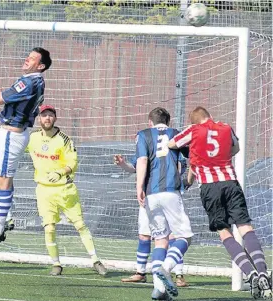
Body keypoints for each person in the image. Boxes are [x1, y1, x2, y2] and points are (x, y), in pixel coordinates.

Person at [0, 105, 107, 276]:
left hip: (65, 189)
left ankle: (95, 260)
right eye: (44, 115)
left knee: (80, 225)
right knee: (49, 228)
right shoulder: (33, 138)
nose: (47, 118)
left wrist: (60, 171)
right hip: (44, 191)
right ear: (39, 119)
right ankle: (56, 264)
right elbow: (16, 148)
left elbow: (73, 162)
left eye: (50, 115)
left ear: (55, 119)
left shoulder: (64, 139)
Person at [168, 106, 272, 300]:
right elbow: (236, 148)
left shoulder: (194, 130)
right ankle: (263, 271)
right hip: (230, 182)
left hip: (209, 187)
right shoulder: (225, 127)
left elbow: (172, 144)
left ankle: (250, 274)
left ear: (195, 121)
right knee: (245, 227)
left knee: (224, 232)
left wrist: (194, 153)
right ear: (210, 116)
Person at [0, 47, 52, 248]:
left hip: (13, 134)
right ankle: (7, 217)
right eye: (28, 56)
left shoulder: (29, 81)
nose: (27, 59)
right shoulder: (35, 80)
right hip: (10, 133)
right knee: (1, 176)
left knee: (3, 179)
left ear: (41, 66)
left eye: (33, 58)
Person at [134, 107, 194, 300]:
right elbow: (192, 157)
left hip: (151, 194)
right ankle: (167, 268)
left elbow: (142, 160)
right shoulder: (176, 134)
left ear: (150, 122)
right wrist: (190, 179)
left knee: (160, 239)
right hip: (171, 191)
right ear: (168, 121)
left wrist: (139, 187)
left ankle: (159, 290)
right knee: (184, 237)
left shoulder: (143, 134)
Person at [114, 154, 189, 288]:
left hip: (167, 196)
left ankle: (178, 274)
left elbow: (181, 167)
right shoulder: (146, 146)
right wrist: (123, 164)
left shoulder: (172, 148)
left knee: (172, 236)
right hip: (148, 197)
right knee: (144, 235)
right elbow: (135, 167)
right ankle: (141, 272)